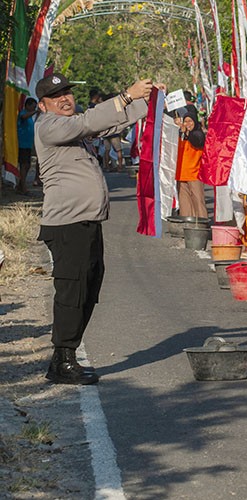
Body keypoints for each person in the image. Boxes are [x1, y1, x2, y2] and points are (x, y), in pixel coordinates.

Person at [35, 73, 153, 384]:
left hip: (86, 222)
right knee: (72, 290)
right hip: (66, 224)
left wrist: (146, 99)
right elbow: (89, 122)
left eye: (67, 93)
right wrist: (126, 95)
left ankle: (65, 356)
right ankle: (63, 359)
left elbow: (109, 123)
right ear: (42, 105)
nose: (65, 99)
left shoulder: (75, 126)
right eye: (56, 96)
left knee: (89, 286)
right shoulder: (49, 126)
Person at [174, 106, 209, 219]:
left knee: (198, 202)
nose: (188, 124)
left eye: (190, 121)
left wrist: (187, 133)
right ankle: (187, 224)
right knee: (184, 204)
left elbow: (197, 141)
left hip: (195, 175)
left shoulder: (198, 134)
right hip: (180, 175)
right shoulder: (180, 135)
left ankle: (202, 223)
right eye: (185, 121)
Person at [16, 97, 38, 194]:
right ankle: (23, 187)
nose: (34, 108)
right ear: (28, 105)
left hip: (28, 144)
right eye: (33, 106)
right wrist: (35, 112)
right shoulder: (23, 113)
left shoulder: (30, 116)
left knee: (28, 165)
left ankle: (21, 184)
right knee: (23, 165)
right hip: (22, 144)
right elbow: (23, 117)